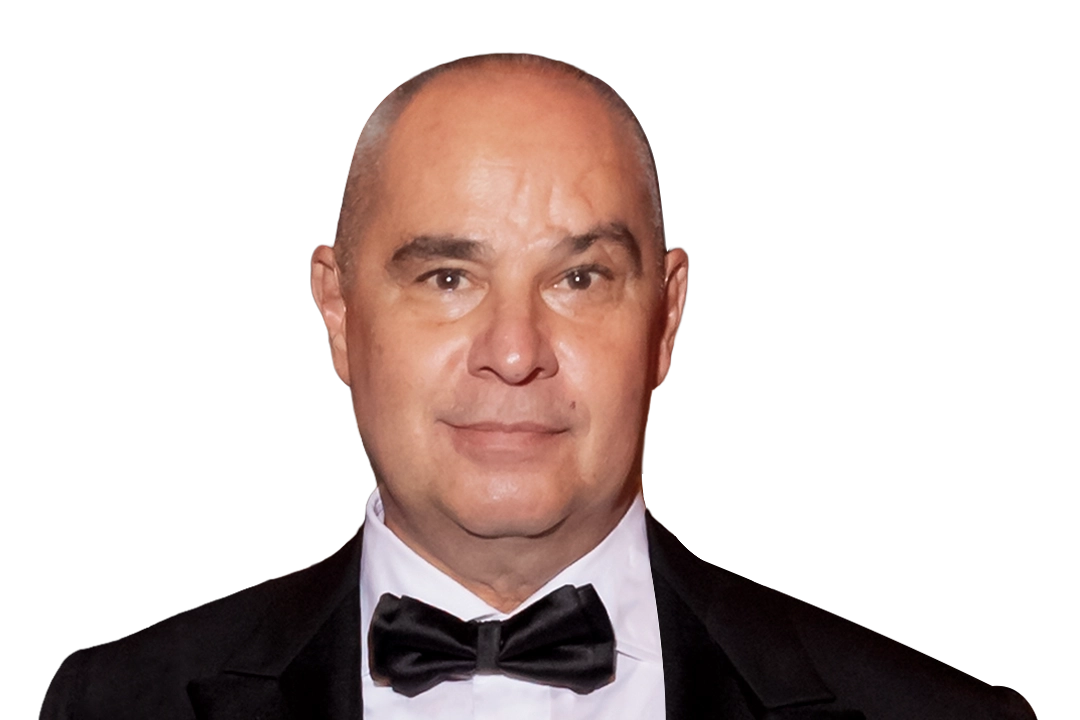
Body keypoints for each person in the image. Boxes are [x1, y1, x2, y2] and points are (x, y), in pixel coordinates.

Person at [40, 52, 1035, 720]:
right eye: (447, 278)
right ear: (337, 311)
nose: (514, 353)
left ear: (668, 319)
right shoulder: (112, 705)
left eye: (580, 279)